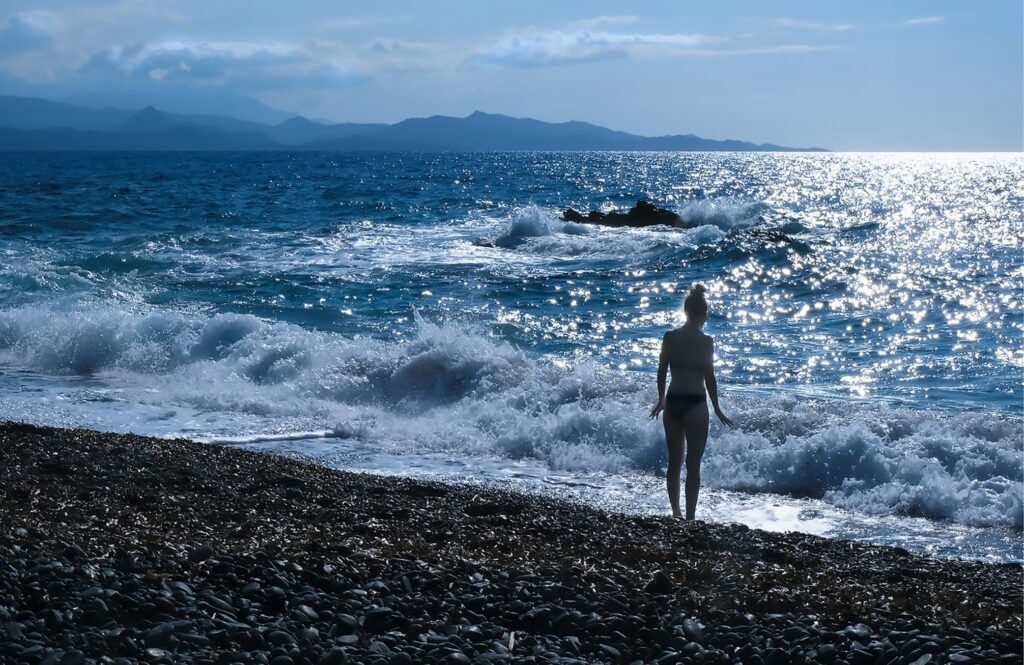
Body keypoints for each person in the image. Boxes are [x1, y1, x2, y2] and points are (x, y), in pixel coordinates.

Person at [650, 284, 733, 520]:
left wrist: (661, 398)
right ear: (701, 315)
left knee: (674, 461)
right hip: (696, 404)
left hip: (674, 401)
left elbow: (662, 370)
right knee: (693, 465)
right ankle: (690, 517)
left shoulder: (670, 337)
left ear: (685, 312)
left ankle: (675, 511)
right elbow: (709, 376)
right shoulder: (706, 341)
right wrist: (716, 407)